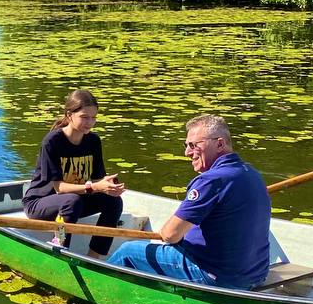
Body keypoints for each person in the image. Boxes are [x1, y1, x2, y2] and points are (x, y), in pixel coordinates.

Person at [107, 114, 270, 289]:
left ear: (220, 144)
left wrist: (170, 233)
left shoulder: (211, 180)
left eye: (194, 145)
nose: (187, 152)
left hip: (215, 275)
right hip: (256, 274)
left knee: (128, 251)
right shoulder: (252, 173)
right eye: (186, 145)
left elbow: (170, 235)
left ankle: (100, 293)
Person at [22, 88, 125, 257]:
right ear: (70, 115)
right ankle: (59, 247)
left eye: (93, 118)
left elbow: (98, 178)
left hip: (76, 201)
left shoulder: (93, 141)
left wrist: (108, 185)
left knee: (113, 202)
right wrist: (93, 186)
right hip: (40, 204)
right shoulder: (52, 142)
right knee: (71, 201)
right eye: (84, 117)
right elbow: (59, 188)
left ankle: (94, 257)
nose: (90, 123)